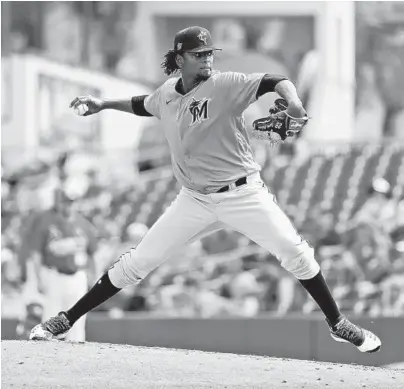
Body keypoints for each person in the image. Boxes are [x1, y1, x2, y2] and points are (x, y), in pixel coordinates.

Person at [30, 26, 381, 353]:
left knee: (296, 253)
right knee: (136, 263)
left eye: (210, 53)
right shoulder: (167, 94)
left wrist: (295, 103)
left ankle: (337, 323)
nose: (208, 59)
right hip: (194, 200)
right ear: (180, 58)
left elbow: (276, 80)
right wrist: (104, 104)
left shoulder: (226, 84)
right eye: (200, 54)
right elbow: (143, 104)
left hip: (242, 194)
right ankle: (64, 320)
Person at [22, 184, 97, 341]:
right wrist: (38, 278)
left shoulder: (83, 223)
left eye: (72, 201)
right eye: (65, 201)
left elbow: (92, 253)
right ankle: (49, 359)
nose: (68, 204)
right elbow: (35, 253)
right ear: (58, 201)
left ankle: (75, 357)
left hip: (78, 276)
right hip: (53, 274)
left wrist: (93, 274)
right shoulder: (45, 221)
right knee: (51, 317)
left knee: (78, 321)